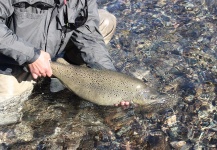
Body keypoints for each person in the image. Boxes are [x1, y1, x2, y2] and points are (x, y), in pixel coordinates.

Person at [0, 0, 129, 125]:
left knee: (105, 21)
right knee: (7, 113)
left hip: (53, 49)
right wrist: (30, 56)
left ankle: (66, 69)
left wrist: (111, 79)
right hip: (11, 60)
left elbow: (91, 39)